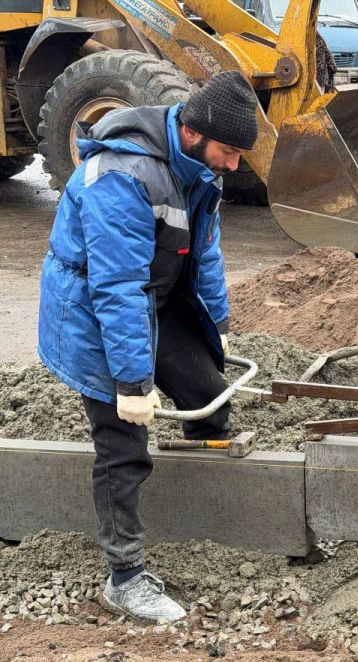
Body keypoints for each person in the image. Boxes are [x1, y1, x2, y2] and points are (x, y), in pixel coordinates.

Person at [37, 71, 260, 622]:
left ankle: (196, 502)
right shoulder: (121, 174)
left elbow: (205, 253)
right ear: (192, 132)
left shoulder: (200, 170)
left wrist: (218, 323)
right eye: (228, 151)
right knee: (123, 441)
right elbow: (115, 287)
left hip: (152, 299)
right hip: (94, 313)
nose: (233, 165)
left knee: (209, 392)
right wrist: (133, 385)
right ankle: (126, 577)